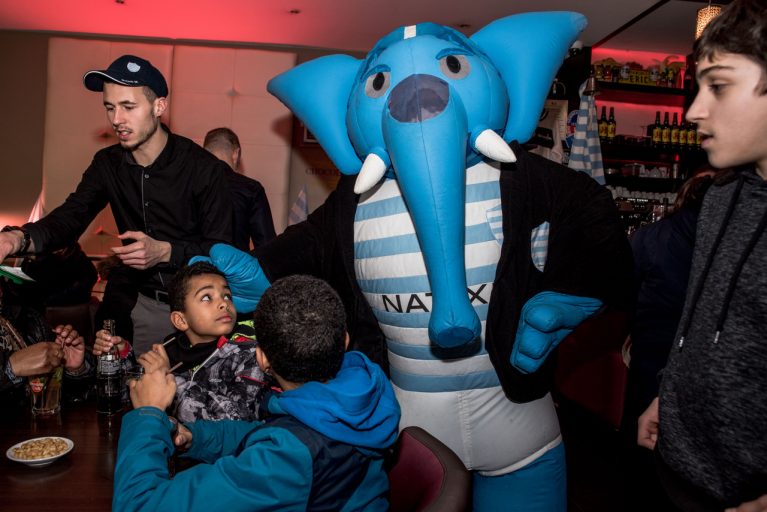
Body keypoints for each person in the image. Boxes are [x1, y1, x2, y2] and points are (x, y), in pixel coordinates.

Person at [0, 54, 233, 356]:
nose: (116, 119)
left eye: (128, 107)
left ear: (159, 106)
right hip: (134, 305)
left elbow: (222, 250)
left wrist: (165, 251)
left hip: (197, 313)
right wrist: (16, 238)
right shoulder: (107, 164)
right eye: (110, 107)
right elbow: (71, 217)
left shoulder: (205, 169)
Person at [112, 274, 401, 511]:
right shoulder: (361, 386)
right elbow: (273, 430)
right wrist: (196, 437)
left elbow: (139, 505)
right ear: (345, 341)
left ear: (261, 359)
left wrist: (148, 414)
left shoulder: (286, 459)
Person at [637, 1, 767, 509]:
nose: (693, 110)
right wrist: (668, 394)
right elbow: (701, 317)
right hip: (680, 466)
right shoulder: (718, 196)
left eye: (718, 86)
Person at [620, 171, 715, 511]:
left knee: (643, 446)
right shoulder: (726, 240)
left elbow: (623, 293)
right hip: (704, 363)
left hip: (652, 355)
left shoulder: (652, 237)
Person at [94, 262, 267, 422]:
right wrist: (120, 356)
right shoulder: (170, 349)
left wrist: (167, 379)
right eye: (207, 297)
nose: (223, 303)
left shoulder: (249, 354)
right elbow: (132, 398)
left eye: (227, 296)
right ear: (180, 320)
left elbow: (237, 418)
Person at [203, 127, 277, 251]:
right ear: (235, 154)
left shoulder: (189, 184)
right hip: (236, 269)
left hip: (195, 267)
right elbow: (266, 246)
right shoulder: (251, 189)